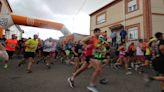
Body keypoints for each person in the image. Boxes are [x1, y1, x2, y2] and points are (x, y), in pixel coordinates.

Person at [67, 28, 102, 92]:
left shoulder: (97, 40)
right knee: (98, 69)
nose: (100, 33)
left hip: (91, 55)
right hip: (88, 56)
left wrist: (98, 49)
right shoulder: (91, 37)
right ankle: (91, 85)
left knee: (82, 69)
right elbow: (81, 41)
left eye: (100, 32)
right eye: (99, 32)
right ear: (95, 32)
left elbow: (95, 48)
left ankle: (71, 78)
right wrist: (87, 46)